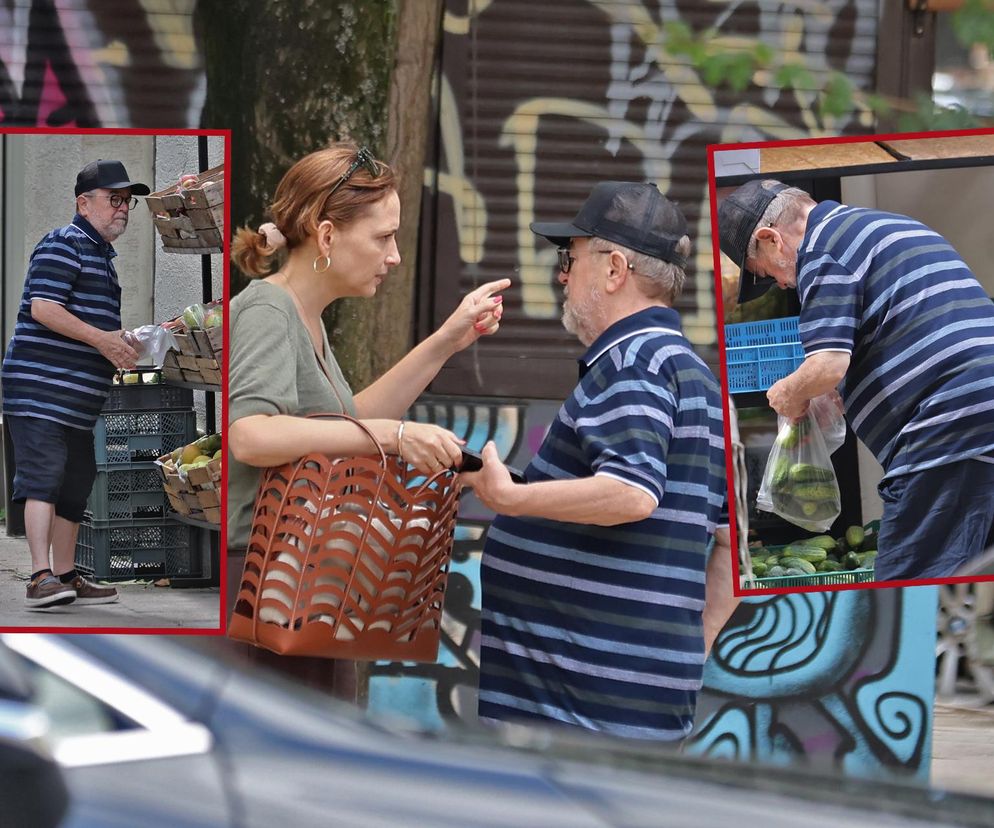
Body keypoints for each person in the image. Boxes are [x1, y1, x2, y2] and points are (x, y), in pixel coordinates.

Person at [227, 141, 509, 694]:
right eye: (383, 237)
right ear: (327, 235)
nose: (395, 255)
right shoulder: (267, 309)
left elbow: (348, 422)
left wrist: (449, 339)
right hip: (265, 585)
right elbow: (250, 435)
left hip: (300, 583)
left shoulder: (304, 315)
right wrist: (394, 437)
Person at [462, 181, 728, 741]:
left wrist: (511, 497)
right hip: (631, 699)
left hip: (577, 707)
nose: (562, 276)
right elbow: (731, 543)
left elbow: (632, 490)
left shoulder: (632, 361)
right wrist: (687, 651)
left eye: (570, 258)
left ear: (614, 270)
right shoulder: (696, 375)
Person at [718, 179, 994, 580]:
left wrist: (786, 393)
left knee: (906, 589)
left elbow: (828, 364)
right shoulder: (888, 225)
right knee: (974, 588)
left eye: (766, 273)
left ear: (771, 238)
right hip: (978, 421)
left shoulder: (823, 249)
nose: (781, 284)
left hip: (948, 425)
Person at [1, 159, 145, 608]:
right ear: (84, 203)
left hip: (76, 398)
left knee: (76, 480)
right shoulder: (64, 243)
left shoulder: (102, 255)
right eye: (113, 199)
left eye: (128, 201)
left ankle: (65, 574)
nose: (122, 208)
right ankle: (39, 577)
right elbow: (44, 308)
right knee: (43, 478)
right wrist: (103, 340)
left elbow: (87, 324)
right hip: (40, 390)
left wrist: (124, 344)